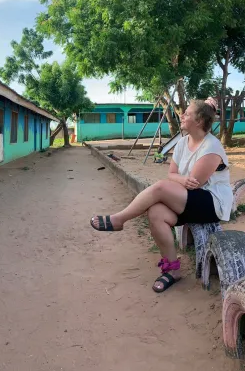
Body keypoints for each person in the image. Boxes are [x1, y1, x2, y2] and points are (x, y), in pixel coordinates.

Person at [90, 98, 233, 293]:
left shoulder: (211, 147)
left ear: (199, 121)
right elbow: (173, 175)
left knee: (160, 188)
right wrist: (180, 180)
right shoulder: (183, 143)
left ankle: (119, 219)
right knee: (156, 212)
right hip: (187, 199)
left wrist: (179, 180)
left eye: (187, 114)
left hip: (211, 202)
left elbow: (194, 184)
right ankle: (172, 270)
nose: (182, 116)